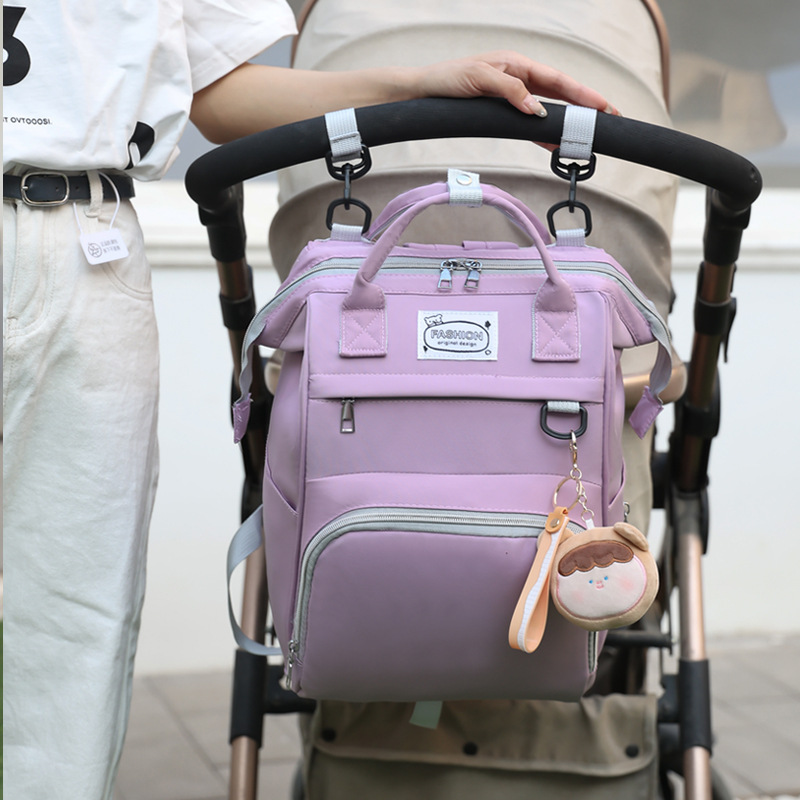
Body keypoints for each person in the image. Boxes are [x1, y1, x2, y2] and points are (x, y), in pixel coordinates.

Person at [2, 2, 620, 798]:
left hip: (86, 238)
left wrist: (418, 85)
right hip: (79, 241)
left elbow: (216, 93)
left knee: (73, 627)